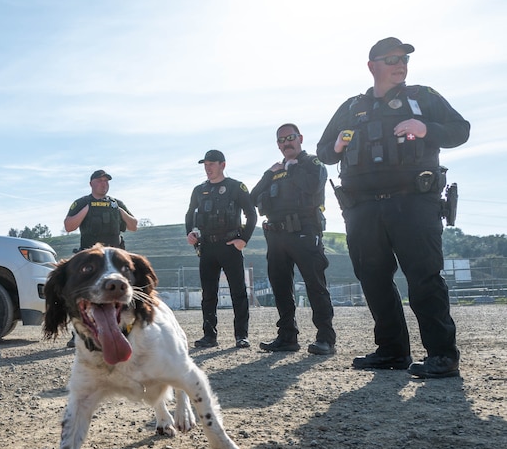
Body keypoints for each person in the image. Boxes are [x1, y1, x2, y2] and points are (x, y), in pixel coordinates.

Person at [316, 37, 470, 378]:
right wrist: (338, 144)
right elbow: (324, 151)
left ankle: (443, 356)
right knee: (372, 278)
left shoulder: (422, 97)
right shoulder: (352, 107)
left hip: (413, 201)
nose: (400, 64)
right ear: (372, 66)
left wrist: (426, 128)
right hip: (362, 208)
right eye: (392, 59)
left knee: (423, 277)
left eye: (404, 59)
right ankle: (392, 351)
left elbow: (461, 130)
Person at [251, 124, 337, 355]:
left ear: (300, 138)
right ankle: (287, 337)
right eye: (281, 140)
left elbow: (311, 186)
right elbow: (252, 197)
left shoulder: (312, 163)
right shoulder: (275, 170)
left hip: (304, 232)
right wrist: (270, 173)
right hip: (276, 236)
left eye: (290, 138)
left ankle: (326, 338)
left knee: (315, 285)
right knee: (280, 287)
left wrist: (292, 168)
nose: (286, 143)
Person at [185, 150, 257, 349]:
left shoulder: (236, 187)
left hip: (229, 246)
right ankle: (209, 336)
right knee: (208, 294)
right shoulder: (199, 190)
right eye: (205, 165)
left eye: (212, 164)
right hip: (207, 247)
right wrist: (190, 233)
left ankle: (241, 335)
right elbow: (190, 215)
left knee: (238, 292)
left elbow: (251, 214)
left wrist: (244, 239)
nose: (208, 168)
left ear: (222, 165)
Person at [63, 169, 138, 346]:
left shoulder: (116, 204)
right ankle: (79, 334)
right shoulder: (82, 202)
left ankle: (122, 331)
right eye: (100, 181)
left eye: (106, 181)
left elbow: (134, 226)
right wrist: (86, 210)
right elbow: (68, 226)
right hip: (91, 262)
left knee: (118, 298)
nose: (103, 184)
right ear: (91, 184)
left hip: (114, 260)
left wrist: (120, 211)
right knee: (84, 298)